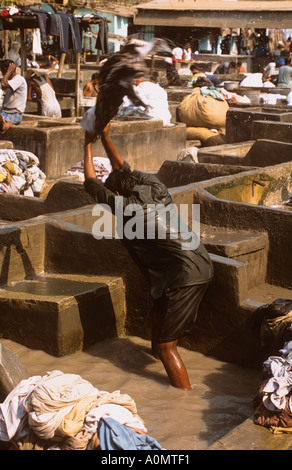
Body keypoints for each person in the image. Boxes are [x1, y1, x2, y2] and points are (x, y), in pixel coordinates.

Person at [83, 123, 213, 390]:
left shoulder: (126, 207)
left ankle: (182, 401)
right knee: (157, 311)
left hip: (186, 275)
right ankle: (156, 355)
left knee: (168, 348)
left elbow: (90, 183)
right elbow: (122, 168)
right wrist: (105, 137)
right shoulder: (156, 186)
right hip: (196, 262)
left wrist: (87, 144)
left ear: (118, 193)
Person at [0, 59, 27, 126]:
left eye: (3, 71)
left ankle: (7, 125)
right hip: (5, 112)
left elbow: (3, 84)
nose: (3, 74)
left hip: (14, 114)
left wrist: (9, 70)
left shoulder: (19, 79)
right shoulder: (9, 80)